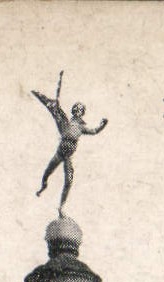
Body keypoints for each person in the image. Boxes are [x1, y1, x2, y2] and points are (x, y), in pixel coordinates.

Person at [33, 72, 108, 213]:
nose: (78, 112)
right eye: (77, 110)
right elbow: (58, 114)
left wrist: (102, 124)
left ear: (82, 113)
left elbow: (94, 131)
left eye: (80, 110)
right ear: (74, 111)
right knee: (47, 172)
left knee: (69, 181)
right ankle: (43, 187)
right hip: (60, 152)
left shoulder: (81, 127)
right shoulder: (66, 122)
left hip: (67, 156)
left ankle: (61, 206)